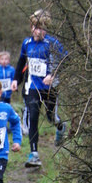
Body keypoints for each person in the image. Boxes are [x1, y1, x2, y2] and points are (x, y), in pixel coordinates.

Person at [11, 9, 67, 168]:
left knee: (50, 117)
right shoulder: (27, 43)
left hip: (50, 87)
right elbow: (21, 62)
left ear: (46, 28)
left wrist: (53, 75)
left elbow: (66, 60)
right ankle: (34, 154)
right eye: (35, 27)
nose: (38, 31)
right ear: (31, 27)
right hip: (32, 85)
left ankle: (61, 128)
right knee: (33, 115)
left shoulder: (53, 43)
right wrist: (16, 79)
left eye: (42, 28)